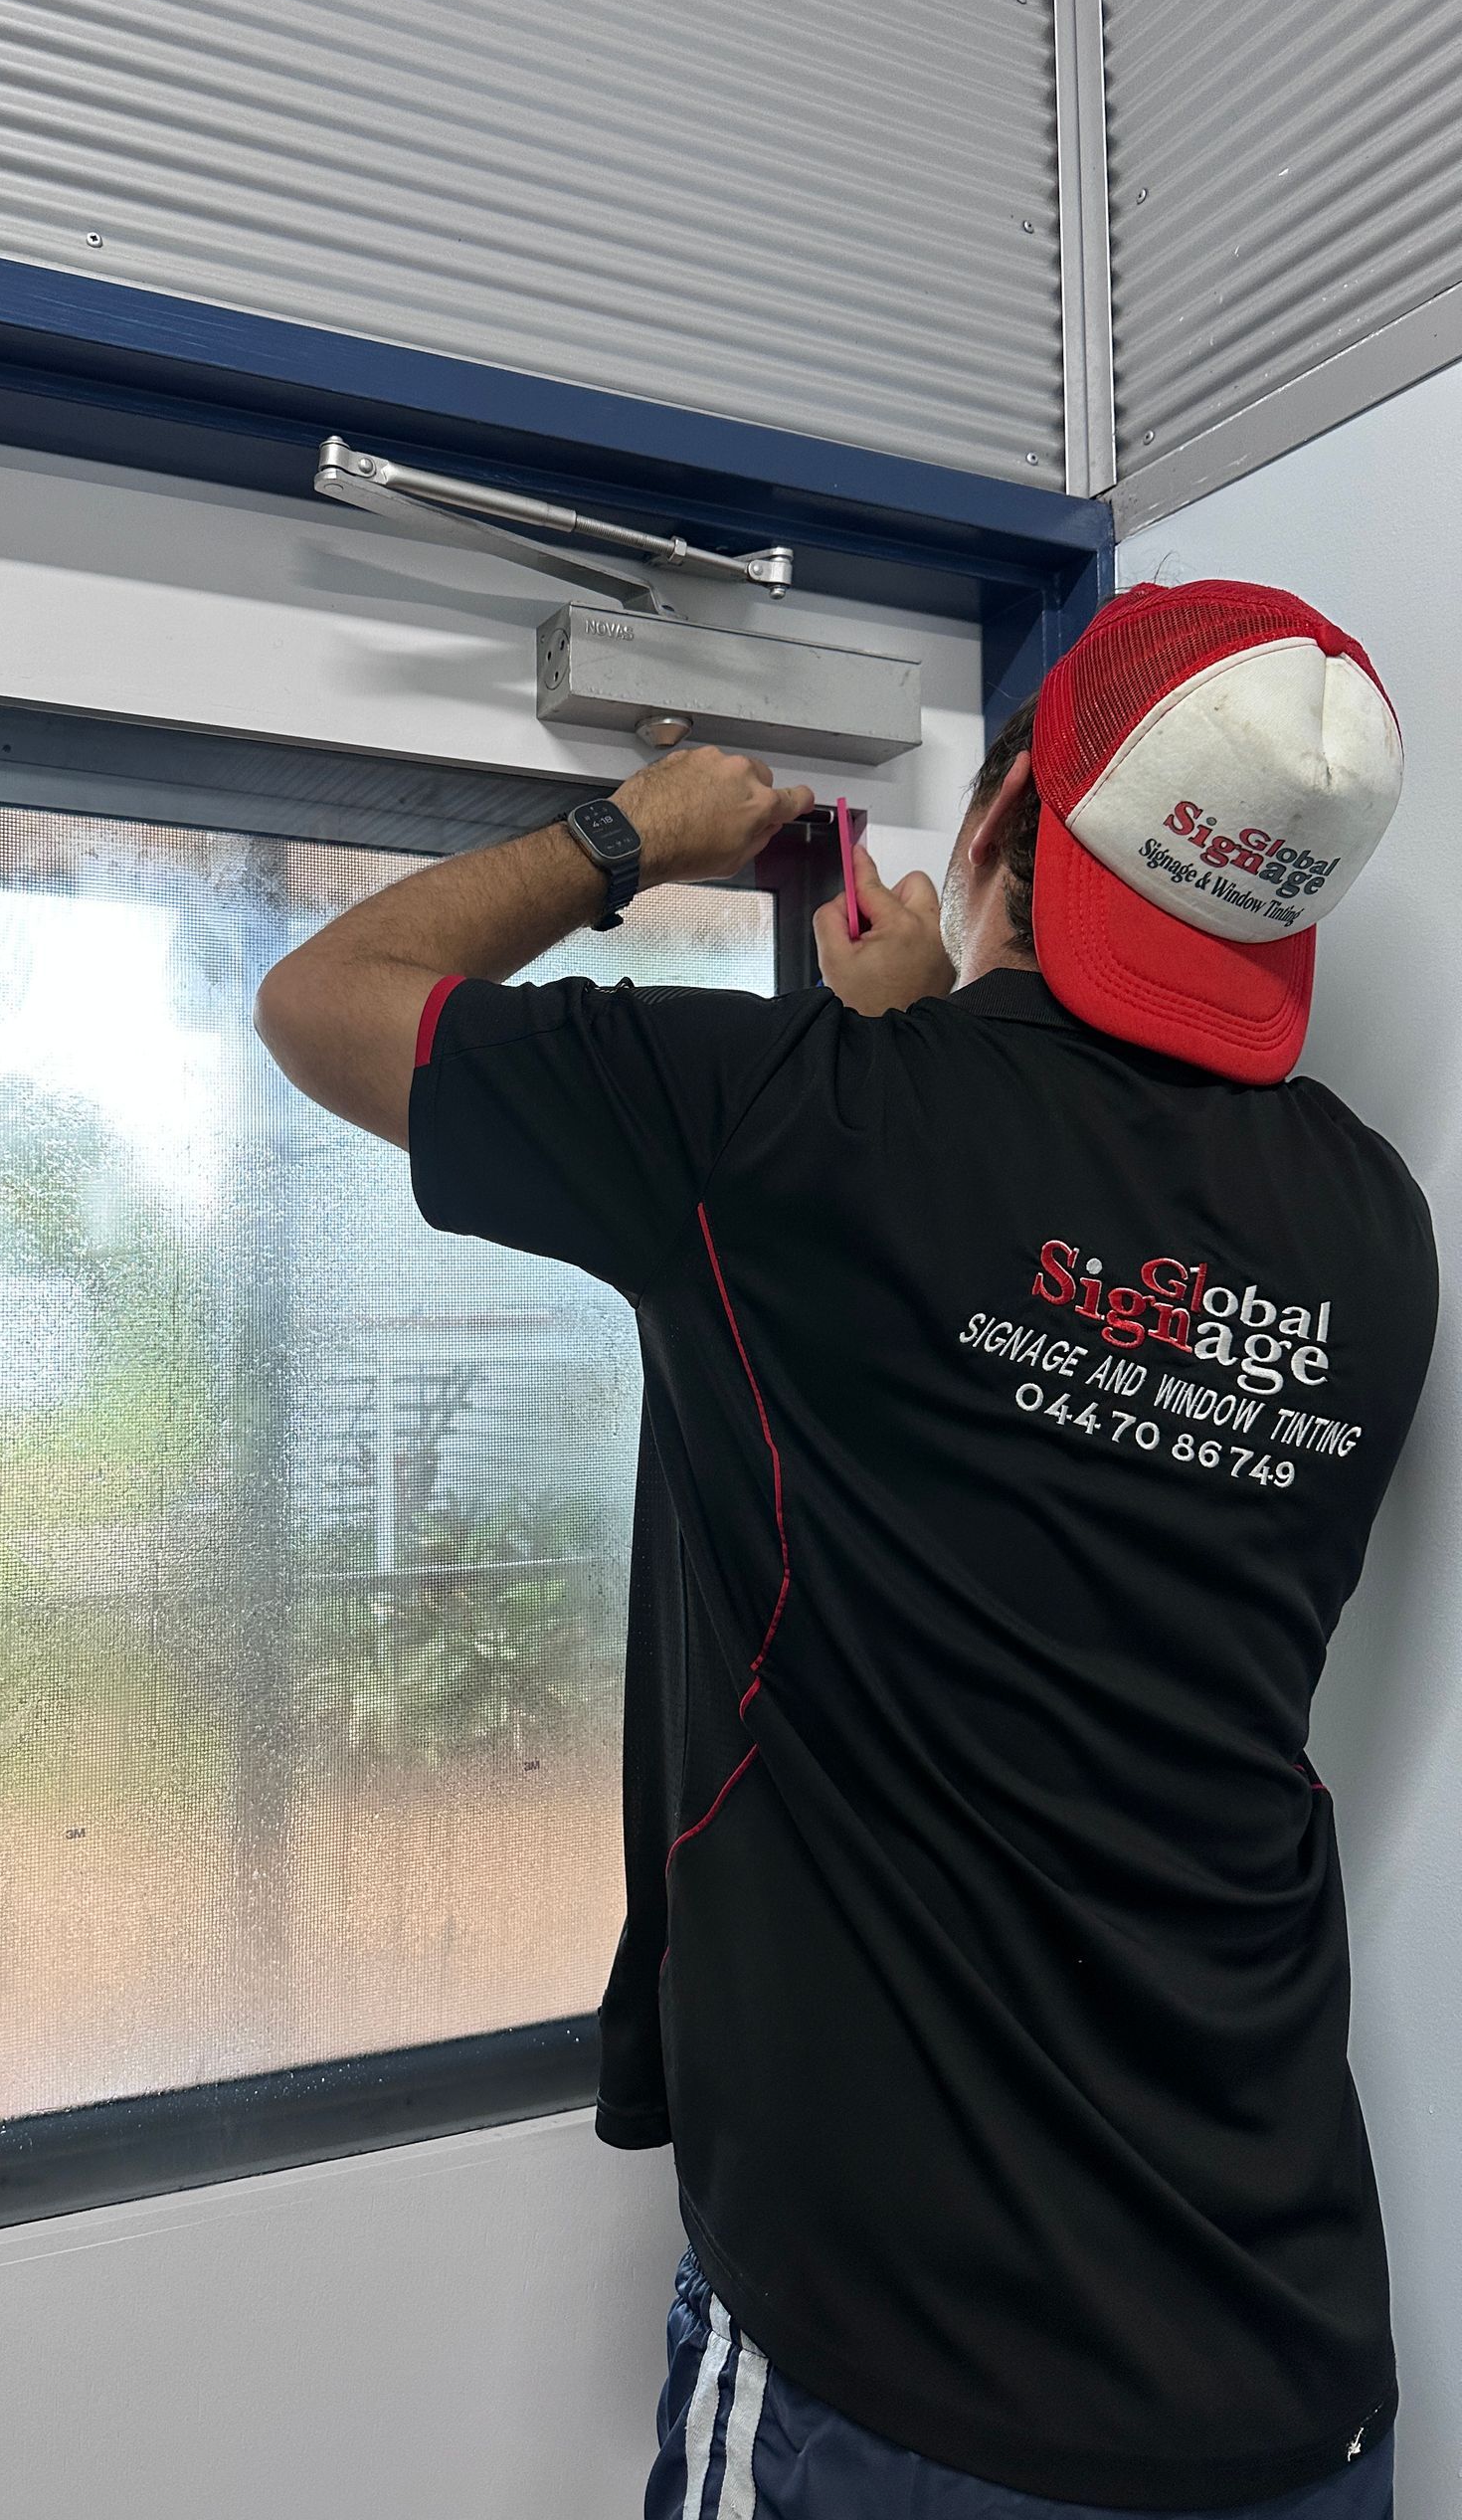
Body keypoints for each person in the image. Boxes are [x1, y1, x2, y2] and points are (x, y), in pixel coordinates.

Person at [254, 580, 1435, 2518]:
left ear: (995, 831)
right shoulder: (1375, 1239)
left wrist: (640, 835)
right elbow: (1041, 1360)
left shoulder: (795, 1132)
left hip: (900, 2382)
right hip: (1288, 2374)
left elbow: (324, 1004)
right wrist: (902, 1048)